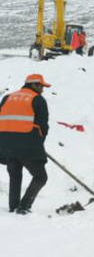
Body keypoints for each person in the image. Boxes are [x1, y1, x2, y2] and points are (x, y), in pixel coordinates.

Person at [0, 74, 50, 214]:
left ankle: (13, 206)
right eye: (41, 86)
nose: (42, 89)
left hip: (6, 145)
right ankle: (23, 207)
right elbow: (43, 126)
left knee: (15, 175)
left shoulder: (7, 97)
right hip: (27, 145)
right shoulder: (37, 99)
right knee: (40, 177)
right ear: (34, 85)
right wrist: (38, 144)